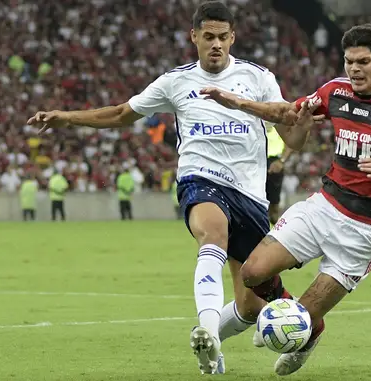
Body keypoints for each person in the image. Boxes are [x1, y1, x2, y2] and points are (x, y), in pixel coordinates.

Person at [26, 1, 322, 375]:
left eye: (222, 37)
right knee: (212, 236)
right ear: (194, 37)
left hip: (251, 195)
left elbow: (291, 139)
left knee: (249, 307)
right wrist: (66, 117)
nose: (216, 44)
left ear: (232, 38)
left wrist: (304, 123)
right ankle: (208, 332)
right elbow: (121, 113)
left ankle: (214, 343)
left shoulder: (259, 78)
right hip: (201, 181)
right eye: (208, 37)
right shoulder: (175, 81)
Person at [201, 23, 371, 375]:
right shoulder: (335, 91)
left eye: (363, 61)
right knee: (253, 273)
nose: (355, 69)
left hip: (365, 230)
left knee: (308, 316)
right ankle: (292, 320)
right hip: (323, 207)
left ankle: (308, 331)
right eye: (349, 61)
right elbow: (287, 113)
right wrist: (234, 101)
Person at [266, 124, 294, 224]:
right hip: (256, 162)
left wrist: (281, 161)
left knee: (274, 203)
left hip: (274, 162)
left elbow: (290, 143)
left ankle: (272, 232)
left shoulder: (278, 123)